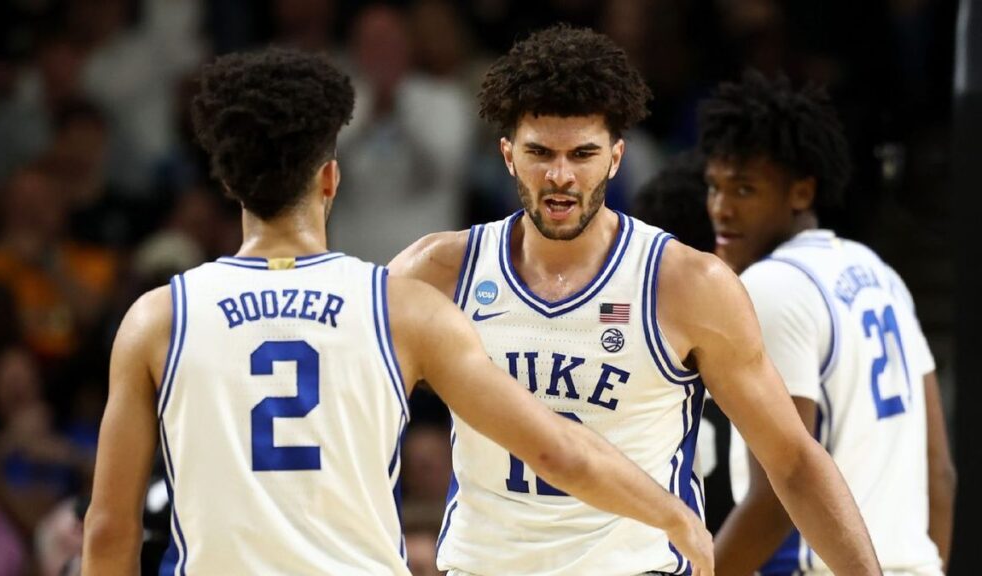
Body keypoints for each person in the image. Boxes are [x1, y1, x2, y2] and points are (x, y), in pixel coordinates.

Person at [80, 47, 714, 575]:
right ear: (331, 178)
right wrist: (673, 515)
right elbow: (560, 454)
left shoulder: (157, 320)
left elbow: (110, 528)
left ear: (228, 184)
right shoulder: (400, 308)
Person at [389, 25, 879, 575]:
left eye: (582, 154)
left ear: (616, 157)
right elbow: (354, 427)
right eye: (539, 152)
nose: (559, 175)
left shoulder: (688, 284)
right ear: (507, 154)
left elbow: (792, 461)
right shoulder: (434, 272)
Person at [702, 71, 956, 575]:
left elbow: (781, 491)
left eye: (745, 189)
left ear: (801, 193)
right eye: (714, 186)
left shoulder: (772, 285)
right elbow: (941, 473)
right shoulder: (878, 272)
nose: (721, 208)